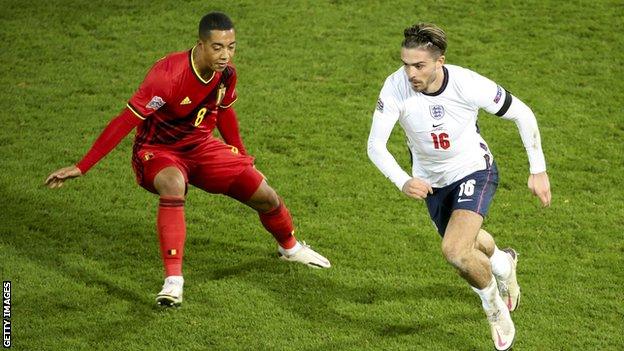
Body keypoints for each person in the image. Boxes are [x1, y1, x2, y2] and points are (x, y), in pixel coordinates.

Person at [45, 12, 331, 307]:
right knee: (173, 184)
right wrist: (83, 165)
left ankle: (291, 248)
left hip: (201, 147)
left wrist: (243, 157)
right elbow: (125, 120)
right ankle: (173, 281)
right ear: (201, 45)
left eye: (231, 46)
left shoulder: (227, 74)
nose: (226, 55)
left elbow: (226, 112)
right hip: (158, 151)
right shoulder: (167, 76)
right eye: (218, 47)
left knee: (265, 195)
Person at [367, 23, 551, 350]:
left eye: (419, 65)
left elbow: (522, 113)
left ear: (440, 62)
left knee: (455, 250)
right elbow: (375, 146)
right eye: (406, 64)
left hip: (474, 170)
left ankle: (494, 309)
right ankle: (505, 265)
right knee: (468, 241)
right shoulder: (395, 86)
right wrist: (403, 180)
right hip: (432, 183)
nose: (411, 73)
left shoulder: (466, 83)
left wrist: (538, 170)